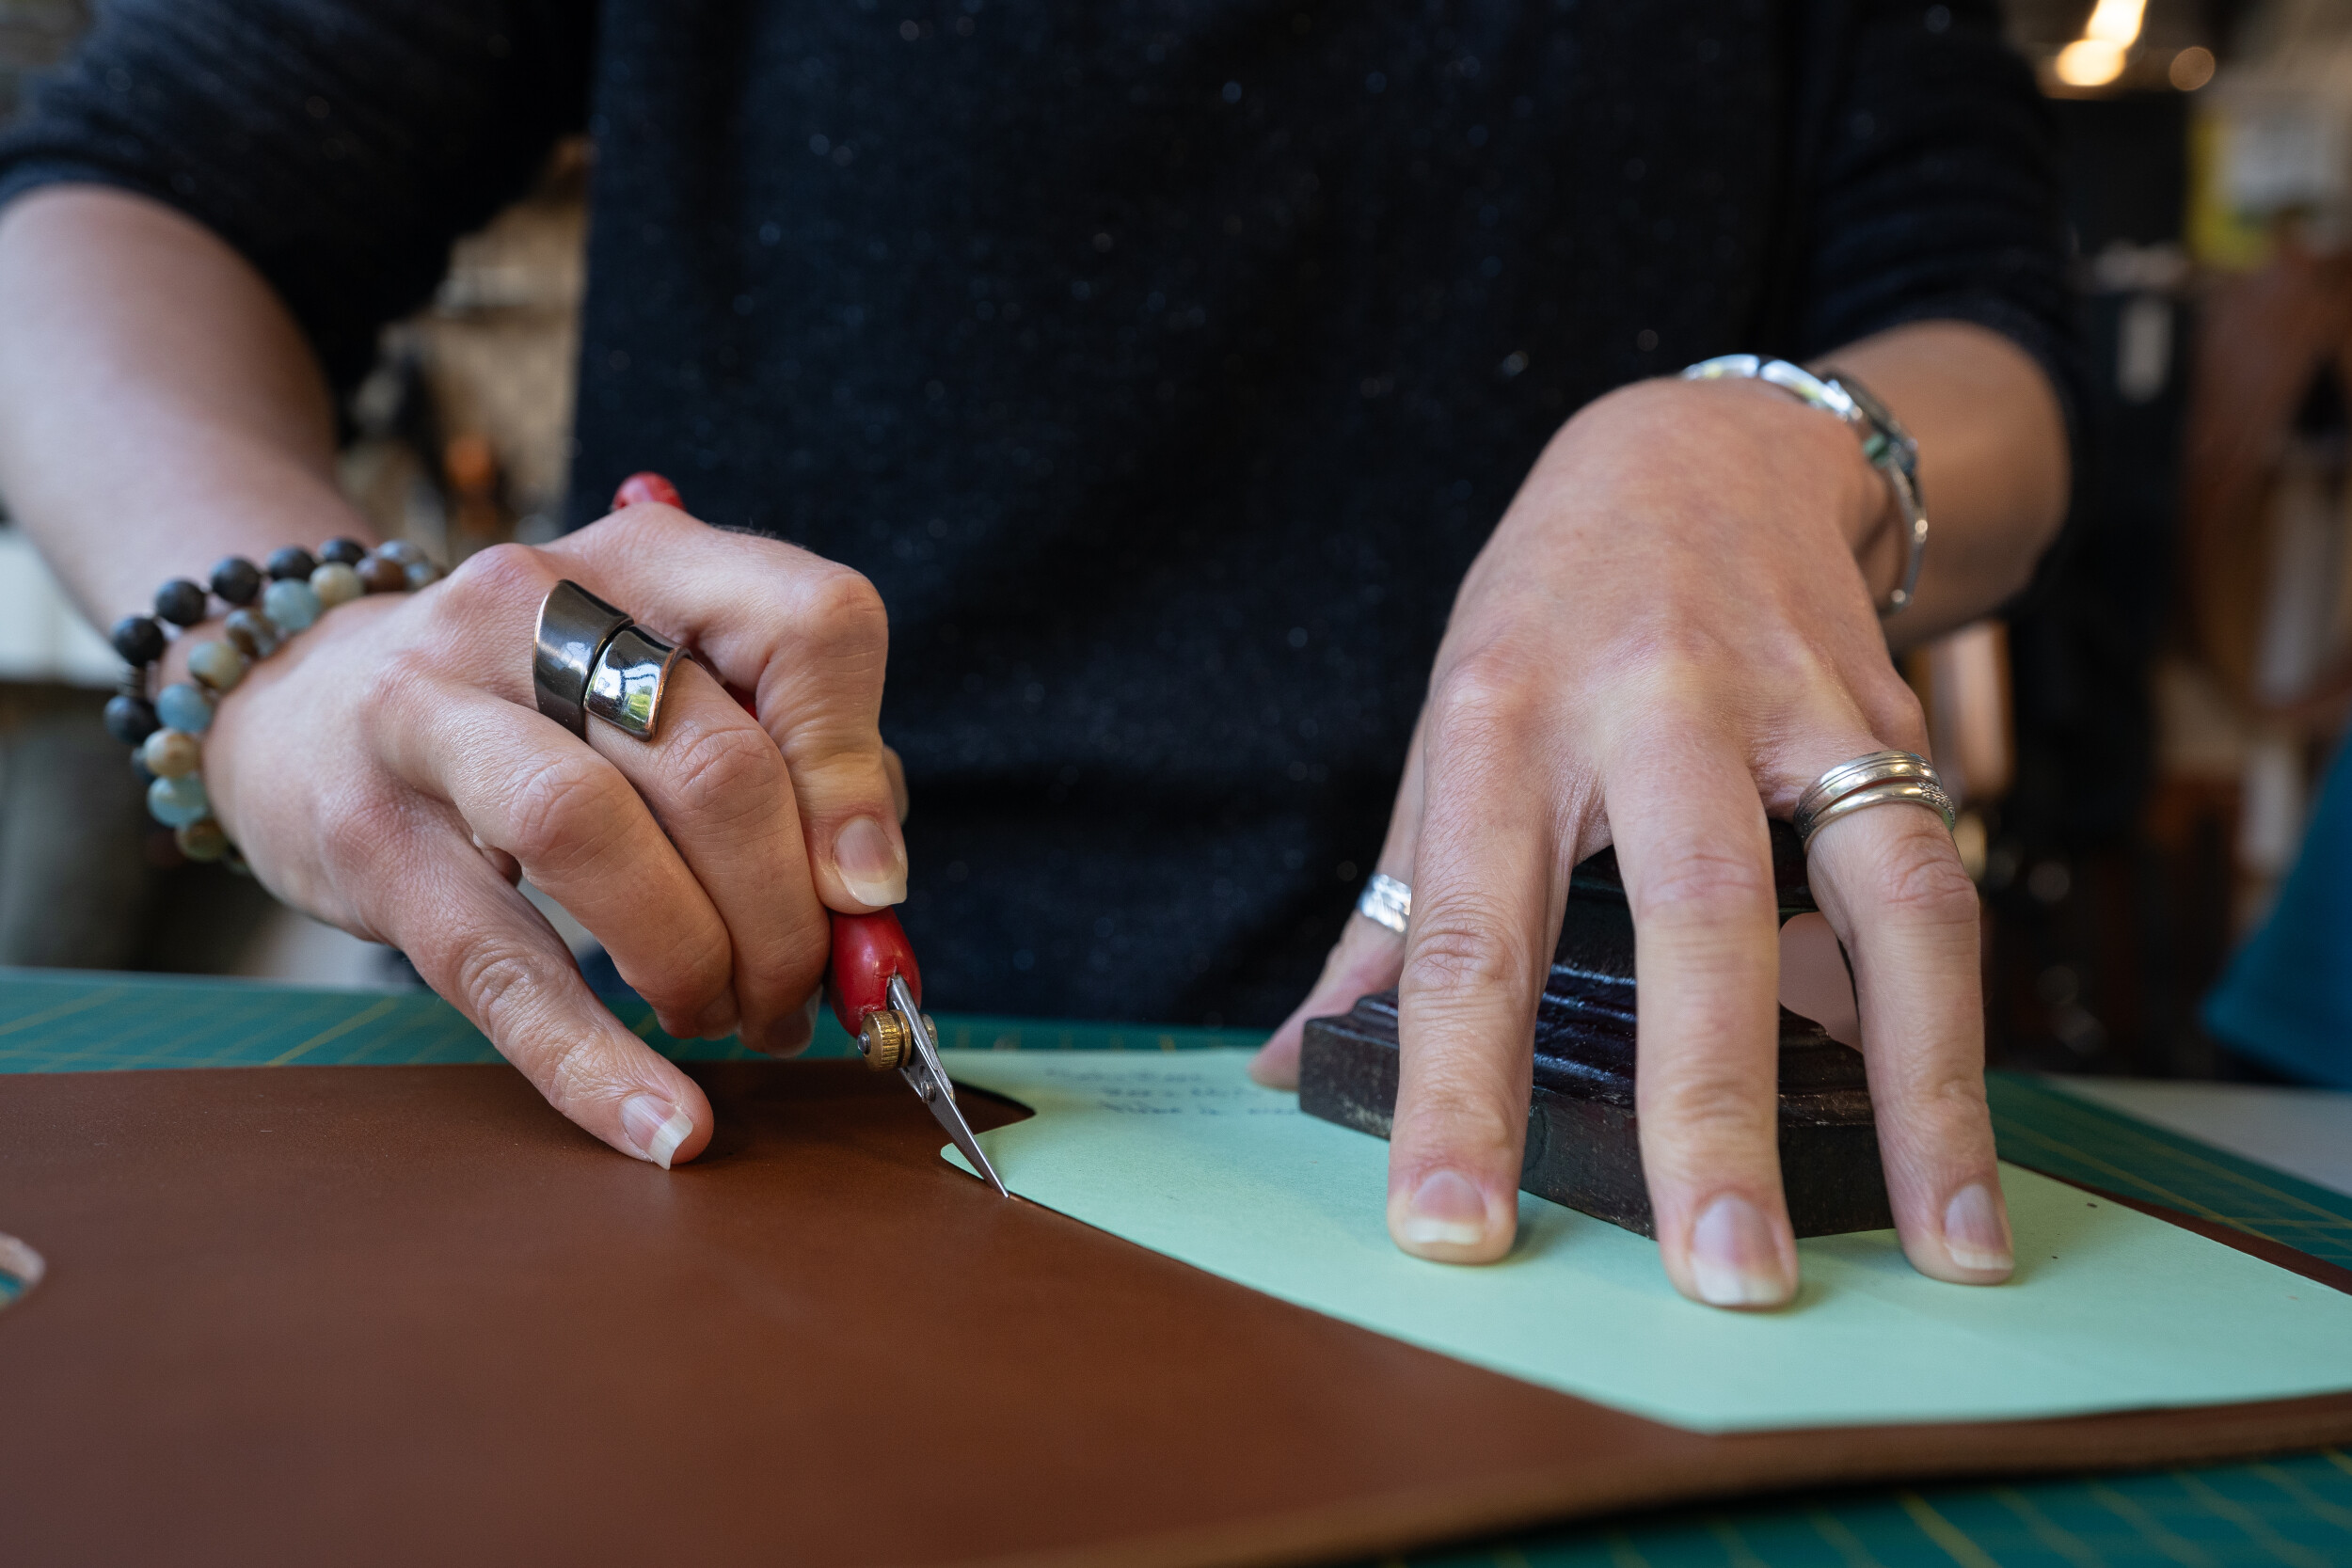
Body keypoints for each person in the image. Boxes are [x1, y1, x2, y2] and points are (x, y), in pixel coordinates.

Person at [0, 0, 2074, 1307]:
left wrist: (1758, 444)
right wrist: (273, 639)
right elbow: (120, 203)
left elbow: (1984, 330)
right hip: (688, 1038)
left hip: (1538, 1089)